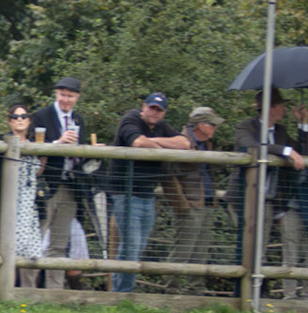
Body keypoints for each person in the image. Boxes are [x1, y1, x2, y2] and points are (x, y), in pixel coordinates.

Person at [110, 91, 192, 291]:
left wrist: (155, 143)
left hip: (147, 195)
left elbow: (185, 143)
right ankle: (122, 294)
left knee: (137, 248)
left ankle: (120, 294)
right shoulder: (130, 119)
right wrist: (162, 145)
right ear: (143, 106)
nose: (154, 113)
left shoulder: (161, 127)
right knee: (131, 247)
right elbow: (137, 142)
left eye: (159, 110)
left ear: (164, 113)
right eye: (151, 108)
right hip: (126, 193)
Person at [235, 93, 306, 292]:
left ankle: (258, 293)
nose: (285, 110)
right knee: (249, 248)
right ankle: (244, 294)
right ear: (270, 107)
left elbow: (301, 149)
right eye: (282, 105)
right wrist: (284, 151)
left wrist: (303, 126)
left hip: (269, 199)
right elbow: (252, 147)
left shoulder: (281, 131)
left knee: (261, 248)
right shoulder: (246, 126)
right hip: (246, 198)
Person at [31, 76, 96, 288]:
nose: (65, 100)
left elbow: (80, 151)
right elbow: (32, 147)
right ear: (56, 94)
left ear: (77, 97)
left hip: (70, 185)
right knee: (36, 238)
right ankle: (26, 288)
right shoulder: (41, 116)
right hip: (48, 185)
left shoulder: (78, 120)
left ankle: (54, 291)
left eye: (70, 96)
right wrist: (57, 144)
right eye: (62, 95)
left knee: (59, 242)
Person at [0, 102, 45, 285]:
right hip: (7, 200)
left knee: (27, 248)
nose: (20, 120)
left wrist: (44, 154)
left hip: (28, 201)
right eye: (15, 117)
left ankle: (20, 290)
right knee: (3, 244)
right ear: (9, 121)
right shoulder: (2, 142)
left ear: (29, 120)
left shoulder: (35, 144)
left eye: (23, 117)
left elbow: (38, 171)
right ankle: (2, 286)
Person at [164, 105, 222, 274]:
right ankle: (171, 291)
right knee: (182, 252)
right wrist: (182, 206)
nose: (215, 128)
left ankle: (195, 292)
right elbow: (168, 176)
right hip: (190, 206)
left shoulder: (206, 144)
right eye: (212, 124)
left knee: (200, 254)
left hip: (206, 204)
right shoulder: (180, 142)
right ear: (200, 125)